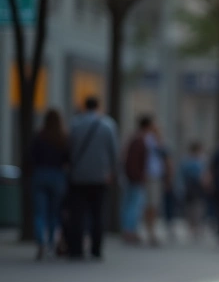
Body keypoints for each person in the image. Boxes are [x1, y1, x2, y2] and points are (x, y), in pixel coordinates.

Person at [65, 96, 119, 260]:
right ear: (98, 106)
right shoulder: (108, 125)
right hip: (100, 177)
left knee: (77, 214)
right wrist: (111, 171)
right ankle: (96, 249)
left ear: (84, 106)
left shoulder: (75, 124)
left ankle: (76, 249)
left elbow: (69, 148)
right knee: (97, 214)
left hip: (78, 176)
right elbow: (113, 152)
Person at [30, 109, 70, 260]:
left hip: (40, 175)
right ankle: (51, 243)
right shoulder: (63, 137)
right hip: (57, 176)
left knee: (40, 213)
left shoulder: (39, 136)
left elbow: (31, 156)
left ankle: (40, 241)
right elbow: (68, 159)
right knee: (54, 212)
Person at [121, 115, 163, 246]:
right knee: (136, 204)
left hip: (144, 176)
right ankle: (130, 231)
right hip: (142, 177)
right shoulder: (141, 139)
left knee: (138, 204)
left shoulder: (144, 139)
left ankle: (134, 230)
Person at [178, 142, 207, 242]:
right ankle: (194, 226)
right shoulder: (196, 161)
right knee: (195, 206)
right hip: (194, 186)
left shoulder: (189, 160)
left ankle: (193, 226)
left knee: (193, 206)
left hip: (192, 186)